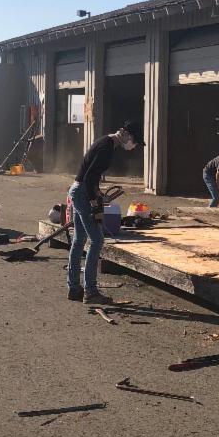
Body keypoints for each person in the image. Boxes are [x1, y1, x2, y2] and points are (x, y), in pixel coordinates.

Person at [68, 121, 145, 305]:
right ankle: (90, 292)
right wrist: (95, 203)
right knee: (97, 240)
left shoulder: (106, 142)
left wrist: (99, 194)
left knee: (79, 239)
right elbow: (89, 178)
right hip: (82, 192)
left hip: (78, 190)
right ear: (124, 133)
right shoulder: (107, 147)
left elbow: (91, 177)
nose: (133, 145)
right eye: (134, 140)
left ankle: (74, 287)